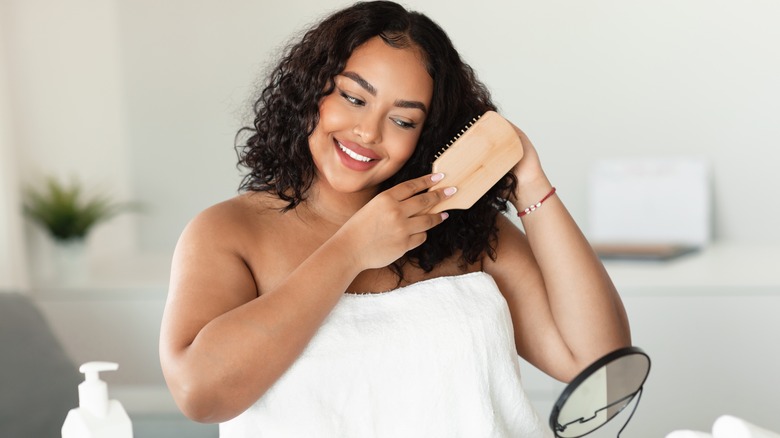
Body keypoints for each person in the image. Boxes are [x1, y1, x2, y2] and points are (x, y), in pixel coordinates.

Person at [159, 1, 631, 436]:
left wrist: (527, 177)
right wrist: (352, 249)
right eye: (353, 97)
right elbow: (202, 395)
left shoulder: (467, 230)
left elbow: (602, 365)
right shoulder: (229, 233)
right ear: (310, 89)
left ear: (428, 133)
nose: (367, 132)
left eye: (403, 120)